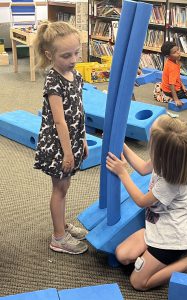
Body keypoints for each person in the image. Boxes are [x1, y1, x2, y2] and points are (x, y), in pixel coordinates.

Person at [106, 114, 187, 291]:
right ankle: (160, 259)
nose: (150, 146)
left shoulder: (170, 183)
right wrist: (121, 144)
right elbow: (142, 168)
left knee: (138, 282)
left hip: (172, 242)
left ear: (162, 152)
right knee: (122, 255)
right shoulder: (168, 160)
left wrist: (122, 173)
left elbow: (141, 201)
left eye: (152, 143)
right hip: (157, 230)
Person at [33, 21, 89, 255]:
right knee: (60, 189)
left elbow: (79, 110)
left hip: (72, 140)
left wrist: (83, 139)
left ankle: (62, 225)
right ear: (49, 55)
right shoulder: (53, 80)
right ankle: (58, 238)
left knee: (64, 186)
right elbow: (59, 121)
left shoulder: (74, 75)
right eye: (66, 55)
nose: (73, 59)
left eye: (76, 52)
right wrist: (67, 152)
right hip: (57, 145)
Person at [154, 41, 187, 107]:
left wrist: (183, 86)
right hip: (171, 90)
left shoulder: (175, 61)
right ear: (168, 56)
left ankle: (163, 92)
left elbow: (177, 77)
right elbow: (171, 84)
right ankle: (167, 97)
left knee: (160, 84)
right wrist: (176, 100)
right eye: (174, 52)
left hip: (167, 87)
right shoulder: (172, 67)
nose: (178, 53)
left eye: (178, 50)